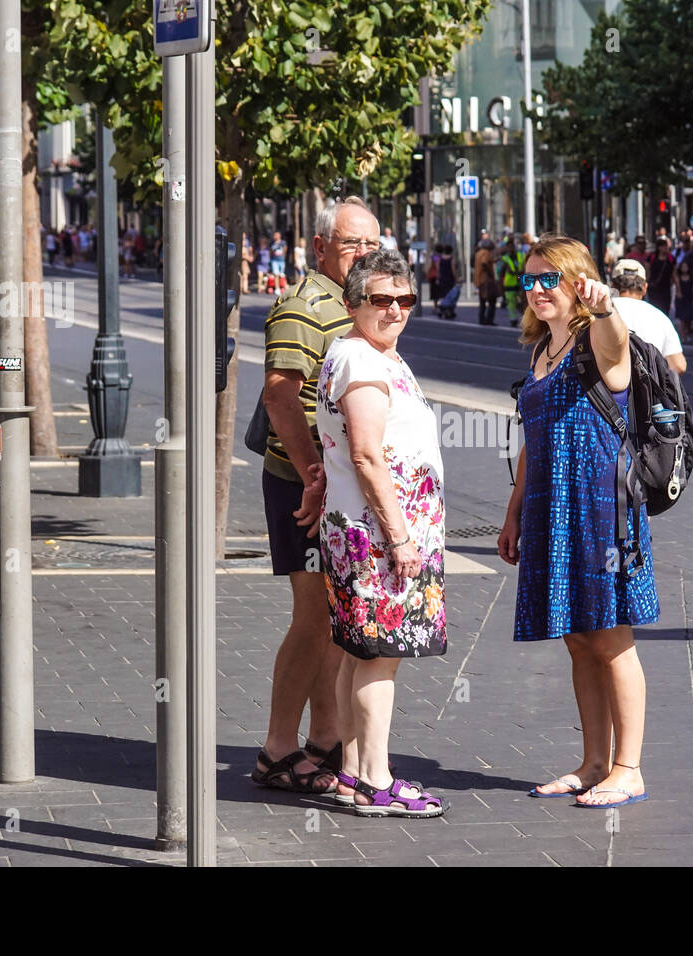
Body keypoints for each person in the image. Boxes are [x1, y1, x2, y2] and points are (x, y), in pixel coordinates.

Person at [498, 234, 658, 809]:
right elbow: (530, 444)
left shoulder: (598, 340)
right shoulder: (539, 350)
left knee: (612, 639)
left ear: (575, 282)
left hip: (599, 508)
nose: (537, 290)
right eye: (530, 280)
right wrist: (514, 513)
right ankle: (593, 762)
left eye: (550, 280)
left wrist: (607, 304)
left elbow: (618, 348)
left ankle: (628, 767)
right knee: (578, 641)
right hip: (550, 506)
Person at [253, 196, 381, 793]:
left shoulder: (352, 302)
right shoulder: (305, 305)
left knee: (335, 619)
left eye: (372, 244)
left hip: (337, 490)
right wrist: (311, 475)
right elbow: (280, 396)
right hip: (302, 488)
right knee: (312, 620)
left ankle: (325, 741)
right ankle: (278, 750)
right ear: (320, 246)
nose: (364, 254)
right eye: (352, 244)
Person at [316, 249, 448, 818]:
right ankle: (375, 778)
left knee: (357, 652)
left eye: (404, 300)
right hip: (377, 537)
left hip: (361, 528)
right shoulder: (361, 362)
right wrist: (399, 537)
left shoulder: (367, 354)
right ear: (352, 304)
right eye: (380, 300)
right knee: (379, 656)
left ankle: (351, 770)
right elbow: (368, 456)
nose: (394, 310)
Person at [609, 258, 686, 374]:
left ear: (612, 286)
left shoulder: (600, 312)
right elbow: (679, 365)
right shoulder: (660, 317)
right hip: (648, 388)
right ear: (645, 288)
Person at [498, 236, 524, 327]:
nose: (511, 249)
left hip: (520, 282)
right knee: (511, 303)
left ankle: (523, 319)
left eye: (512, 247)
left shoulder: (521, 255)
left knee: (522, 302)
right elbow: (502, 272)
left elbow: (524, 266)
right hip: (510, 283)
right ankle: (513, 319)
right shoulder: (505, 258)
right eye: (509, 247)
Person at [673, 238, 693, 340]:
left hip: (689, 297)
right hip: (682, 297)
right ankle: (683, 334)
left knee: (689, 317)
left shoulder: (691, 277)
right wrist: (678, 292)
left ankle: (687, 332)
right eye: (683, 267)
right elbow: (676, 283)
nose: (684, 268)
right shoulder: (678, 277)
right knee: (682, 317)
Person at [473, 237, 499, 325]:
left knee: (482, 301)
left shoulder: (478, 253)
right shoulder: (486, 253)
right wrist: (490, 273)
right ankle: (489, 319)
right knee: (492, 300)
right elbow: (484, 263)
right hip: (486, 280)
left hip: (479, 280)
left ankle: (481, 319)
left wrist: (494, 261)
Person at [645, 238, 674, 316]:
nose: (666, 248)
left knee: (665, 307)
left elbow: (674, 273)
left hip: (666, 287)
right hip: (653, 287)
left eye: (666, 246)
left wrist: (675, 284)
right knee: (655, 307)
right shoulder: (652, 257)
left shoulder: (670, 258)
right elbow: (647, 272)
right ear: (659, 247)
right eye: (664, 246)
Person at [430, 244, 458, 319]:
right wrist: (456, 278)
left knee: (443, 295)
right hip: (449, 279)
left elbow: (438, 270)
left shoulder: (440, 259)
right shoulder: (451, 259)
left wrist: (438, 278)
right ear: (451, 251)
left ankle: (442, 310)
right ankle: (449, 311)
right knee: (450, 295)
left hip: (442, 279)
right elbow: (453, 270)